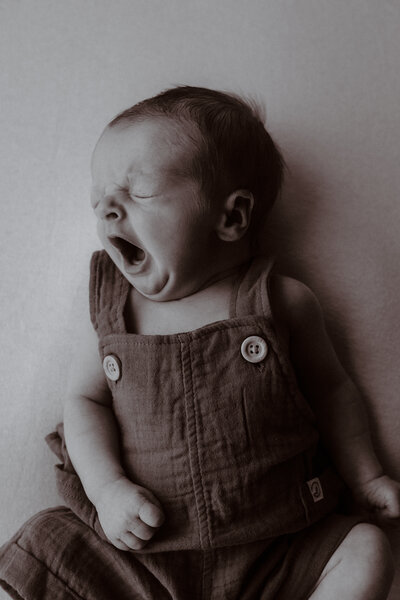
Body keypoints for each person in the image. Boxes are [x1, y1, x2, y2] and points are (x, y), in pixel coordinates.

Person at [0, 86, 399, 600]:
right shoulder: (111, 310)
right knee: (41, 544)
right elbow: (84, 402)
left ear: (231, 217)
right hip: (139, 555)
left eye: (136, 192)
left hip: (277, 551)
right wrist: (107, 490)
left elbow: (333, 393)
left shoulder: (282, 303)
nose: (107, 211)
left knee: (367, 548)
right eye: (99, 198)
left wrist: (366, 478)